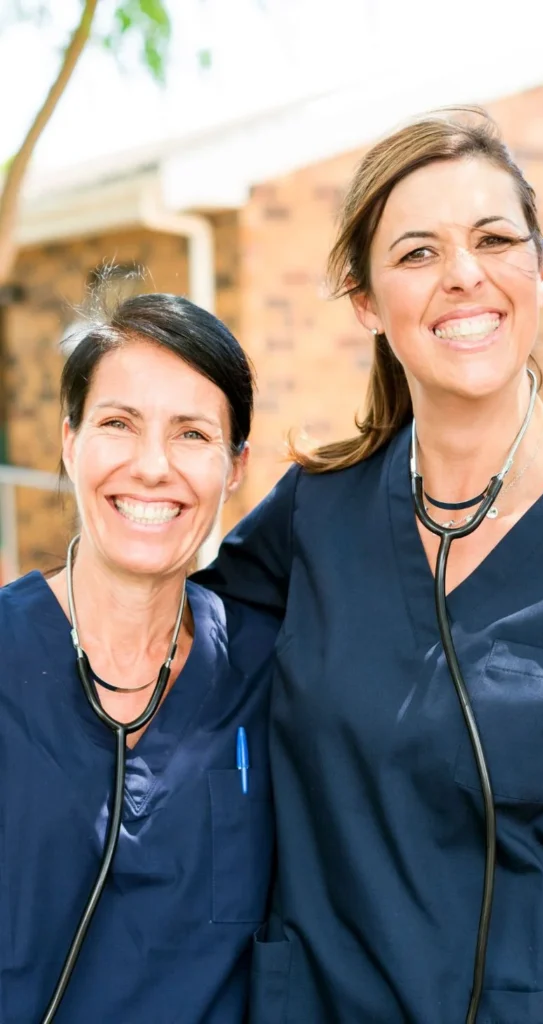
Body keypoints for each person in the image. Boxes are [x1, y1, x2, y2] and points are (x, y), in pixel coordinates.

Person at [196, 108, 543, 1024]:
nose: (463, 275)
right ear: (365, 300)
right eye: (418, 253)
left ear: (542, 271)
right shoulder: (316, 511)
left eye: (495, 239)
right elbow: (159, 658)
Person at [0, 294, 277, 1022]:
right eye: (119, 424)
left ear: (236, 464)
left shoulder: (272, 671)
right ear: (70, 441)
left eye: (191, 434)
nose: (152, 467)